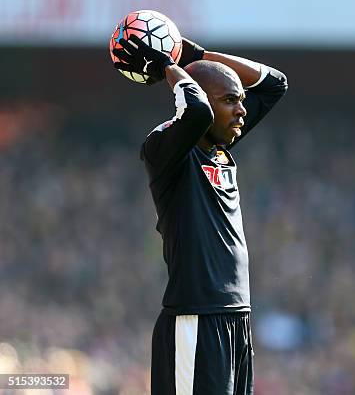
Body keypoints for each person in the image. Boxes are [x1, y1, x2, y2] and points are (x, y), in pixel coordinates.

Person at [113, 35, 288, 395]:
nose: (242, 110)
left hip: (236, 318)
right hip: (195, 318)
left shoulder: (219, 147)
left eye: (241, 101)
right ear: (201, 96)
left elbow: (274, 84)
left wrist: (197, 54)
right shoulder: (166, 149)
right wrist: (168, 67)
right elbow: (195, 113)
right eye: (230, 101)